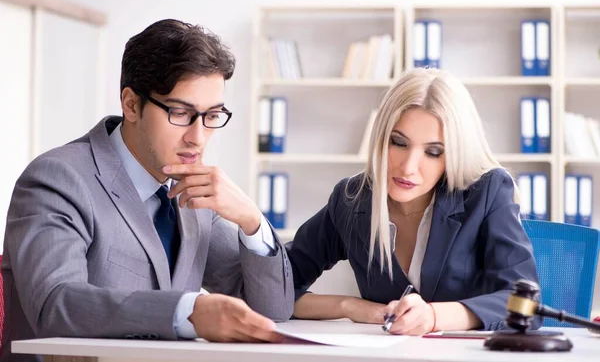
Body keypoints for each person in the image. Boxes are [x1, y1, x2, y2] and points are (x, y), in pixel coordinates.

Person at [1, 19, 293, 362]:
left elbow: (272, 309)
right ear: (131, 104)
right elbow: (56, 304)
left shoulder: (193, 191)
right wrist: (190, 311)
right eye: (181, 113)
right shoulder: (57, 179)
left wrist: (251, 220)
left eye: (212, 116)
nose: (198, 138)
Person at [286, 68, 541, 335]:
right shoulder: (352, 199)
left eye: (432, 152)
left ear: (454, 154)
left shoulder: (487, 192)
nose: (408, 168)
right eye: (399, 143)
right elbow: (273, 289)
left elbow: (525, 305)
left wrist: (433, 317)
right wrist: (349, 306)